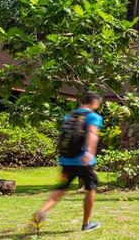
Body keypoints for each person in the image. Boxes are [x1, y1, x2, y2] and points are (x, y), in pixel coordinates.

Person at [33, 91, 104, 232]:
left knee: (61, 188)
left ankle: (41, 211)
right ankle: (86, 224)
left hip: (67, 159)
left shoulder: (69, 116)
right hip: (84, 160)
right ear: (95, 102)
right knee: (91, 188)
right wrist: (89, 153)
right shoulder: (93, 117)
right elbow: (92, 133)